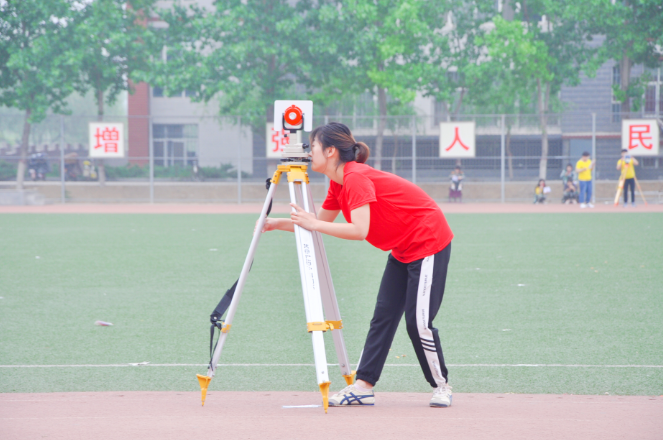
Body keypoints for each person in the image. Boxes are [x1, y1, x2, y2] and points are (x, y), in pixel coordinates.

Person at [260, 122, 454, 408]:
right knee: (383, 316)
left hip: (428, 241)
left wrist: (312, 223)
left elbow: (359, 230)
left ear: (329, 151)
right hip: (402, 248)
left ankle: (441, 386)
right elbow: (318, 223)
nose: (307, 152)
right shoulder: (338, 185)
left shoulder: (355, 178)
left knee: (418, 323)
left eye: (311, 146)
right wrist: (275, 224)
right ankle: (363, 386)